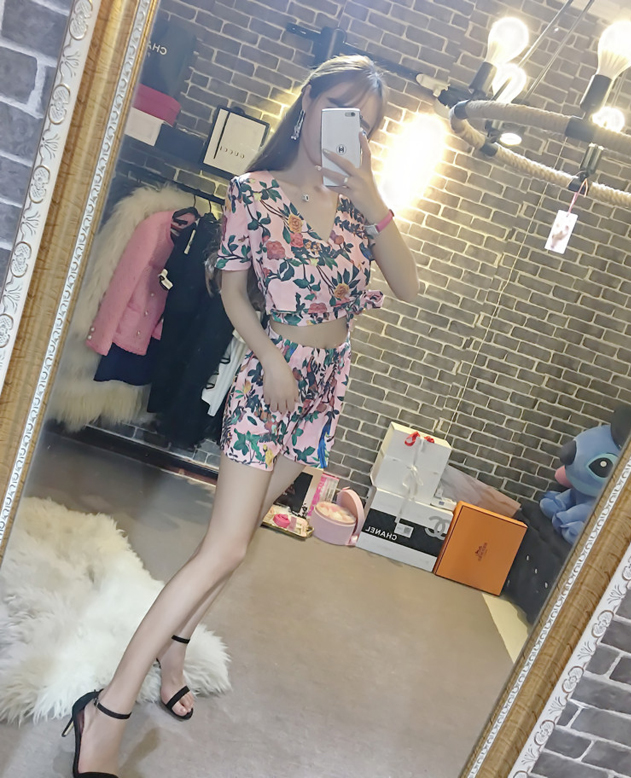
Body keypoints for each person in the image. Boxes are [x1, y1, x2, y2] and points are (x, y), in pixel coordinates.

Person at [64, 54, 419, 777]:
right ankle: (106, 709)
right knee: (223, 548)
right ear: (310, 102)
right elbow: (230, 291)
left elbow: (408, 285)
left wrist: (372, 190)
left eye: (367, 127)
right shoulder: (254, 192)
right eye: (343, 112)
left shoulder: (361, 207)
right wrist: (273, 357)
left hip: (325, 388)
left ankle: (174, 659)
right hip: (271, 377)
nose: (352, 133)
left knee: (243, 535)